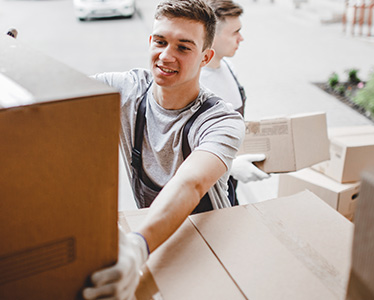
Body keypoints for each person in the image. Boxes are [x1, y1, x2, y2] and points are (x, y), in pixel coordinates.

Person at [82, 0, 245, 299]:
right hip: (156, 236)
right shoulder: (126, 90)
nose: (166, 56)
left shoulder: (221, 121)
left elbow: (191, 183)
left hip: (209, 247)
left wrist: (136, 247)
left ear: (206, 57)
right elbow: (59, 95)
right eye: (160, 41)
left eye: (184, 47)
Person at [200, 0, 270, 192]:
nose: (241, 38)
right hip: (207, 192)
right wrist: (229, 168)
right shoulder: (195, 85)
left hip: (230, 188)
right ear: (211, 37)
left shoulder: (229, 68)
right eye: (235, 32)